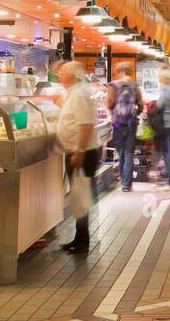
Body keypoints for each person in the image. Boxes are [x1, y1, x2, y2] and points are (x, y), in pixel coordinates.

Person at [56, 60, 101, 254]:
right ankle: (78, 238)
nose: (59, 75)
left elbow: (85, 125)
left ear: (69, 76)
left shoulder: (79, 95)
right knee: (77, 197)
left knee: (80, 197)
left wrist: (79, 151)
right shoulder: (74, 94)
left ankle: (83, 242)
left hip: (82, 153)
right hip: (77, 151)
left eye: (61, 73)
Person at [106, 63, 143, 192]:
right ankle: (126, 184)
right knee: (129, 153)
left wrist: (113, 115)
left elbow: (109, 103)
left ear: (119, 71)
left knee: (121, 153)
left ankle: (123, 181)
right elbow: (141, 105)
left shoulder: (113, 86)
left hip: (118, 124)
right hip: (131, 124)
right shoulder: (135, 86)